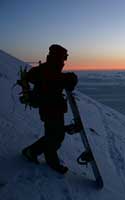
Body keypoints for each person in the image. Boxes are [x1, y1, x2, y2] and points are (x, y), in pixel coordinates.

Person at [22, 44, 78, 174]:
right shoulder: (51, 73)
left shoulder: (43, 70)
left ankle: (32, 152)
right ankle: (50, 161)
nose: (64, 61)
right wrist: (71, 78)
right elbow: (67, 80)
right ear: (57, 57)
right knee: (56, 136)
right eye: (64, 57)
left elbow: (30, 76)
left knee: (53, 135)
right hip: (51, 109)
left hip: (49, 109)